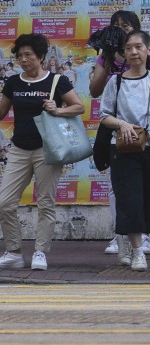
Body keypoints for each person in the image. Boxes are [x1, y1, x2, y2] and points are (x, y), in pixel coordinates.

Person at [0, 34, 85, 271]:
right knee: (4, 202)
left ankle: (40, 252)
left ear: (41, 56)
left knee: (45, 202)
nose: (24, 60)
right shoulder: (14, 82)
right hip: (18, 149)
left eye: (29, 55)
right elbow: (2, 111)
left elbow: (79, 106)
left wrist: (57, 109)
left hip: (48, 149)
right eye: (20, 55)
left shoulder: (57, 81)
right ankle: (14, 251)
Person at [98, 30, 150, 272]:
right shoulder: (116, 82)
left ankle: (126, 237)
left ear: (148, 50)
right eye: (128, 48)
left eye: (138, 47)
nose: (133, 52)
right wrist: (122, 124)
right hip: (123, 149)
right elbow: (104, 116)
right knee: (130, 199)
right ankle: (138, 250)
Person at [90, 10, 150, 258]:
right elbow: (95, 91)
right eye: (117, 26)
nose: (122, 29)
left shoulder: (147, 55)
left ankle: (144, 235)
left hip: (145, 132)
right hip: (115, 127)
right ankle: (121, 235)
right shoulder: (107, 56)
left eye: (126, 25)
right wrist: (106, 59)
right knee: (120, 187)